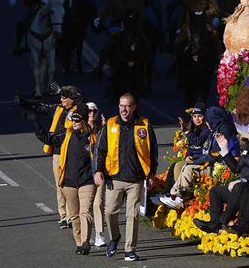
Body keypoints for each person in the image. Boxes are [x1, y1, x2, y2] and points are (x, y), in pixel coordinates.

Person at [94, 93, 158, 262]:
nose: (123, 109)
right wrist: (97, 171)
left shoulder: (144, 125)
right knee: (110, 212)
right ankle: (115, 238)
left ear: (134, 107)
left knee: (132, 215)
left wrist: (151, 174)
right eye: (121, 105)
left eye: (127, 106)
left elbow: (153, 152)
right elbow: (99, 150)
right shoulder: (110, 124)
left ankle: (130, 250)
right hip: (115, 177)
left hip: (136, 179)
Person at [15, 85, 82, 228]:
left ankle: (72, 215)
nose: (61, 99)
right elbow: (41, 108)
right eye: (61, 97)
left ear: (73, 99)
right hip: (58, 152)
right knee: (60, 185)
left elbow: (86, 104)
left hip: (72, 152)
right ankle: (64, 216)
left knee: (70, 185)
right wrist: (25, 103)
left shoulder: (79, 112)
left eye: (64, 97)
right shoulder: (58, 108)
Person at [33, 110, 97, 255]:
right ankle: (79, 242)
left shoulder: (94, 137)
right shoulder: (66, 135)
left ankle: (86, 241)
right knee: (74, 215)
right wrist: (36, 123)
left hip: (87, 180)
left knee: (85, 211)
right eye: (73, 120)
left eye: (78, 120)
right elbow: (49, 139)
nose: (74, 123)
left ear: (85, 121)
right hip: (69, 181)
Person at [193, 119, 249, 233]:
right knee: (216, 191)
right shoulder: (248, 146)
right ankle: (214, 221)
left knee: (239, 187)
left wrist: (244, 180)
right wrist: (225, 150)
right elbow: (236, 168)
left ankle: (220, 223)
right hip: (240, 188)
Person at [159, 105, 240, 209]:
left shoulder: (223, 132)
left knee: (188, 169)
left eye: (208, 120)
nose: (207, 123)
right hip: (213, 164)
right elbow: (201, 149)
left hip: (222, 169)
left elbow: (212, 155)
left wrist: (195, 162)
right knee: (179, 166)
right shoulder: (217, 129)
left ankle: (177, 197)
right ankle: (172, 196)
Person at [153, 103, 212, 206]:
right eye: (194, 116)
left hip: (203, 161)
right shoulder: (193, 128)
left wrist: (186, 131)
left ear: (205, 116)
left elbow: (198, 142)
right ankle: (166, 194)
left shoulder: (207, 129)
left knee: (181, 167)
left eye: (200, 116)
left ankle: (177, 196)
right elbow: (191, 146)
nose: (197, 119)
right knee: (174, 166)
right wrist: (188, 155)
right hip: (194, 158)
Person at [86, 102, 107, 247]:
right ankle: (84, 235)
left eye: (94, 111)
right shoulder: (79, 127)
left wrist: (105, 129)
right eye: (89, 111)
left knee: (98, 203)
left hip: (99, 171)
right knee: (85, 207)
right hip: (84, 173)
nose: (91, 113)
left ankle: (99, 234)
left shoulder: (102, 129)